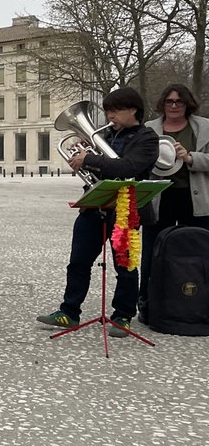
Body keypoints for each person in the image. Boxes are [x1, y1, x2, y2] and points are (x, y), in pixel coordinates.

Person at [37, 87, 158, 338]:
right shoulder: (104, 135)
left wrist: (89, 159)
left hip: (125, 209)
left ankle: (123, 315)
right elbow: (99, 169)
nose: (110, 116)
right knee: (78, 261)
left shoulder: (147, 138)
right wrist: (81, 159)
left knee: (125, 264)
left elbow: (128, 167)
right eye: (108, 111)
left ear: (133, 109)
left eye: (116, 110)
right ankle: (69, 311)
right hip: (94, 206)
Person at [139, 84, 209, 311]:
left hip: (195, 198)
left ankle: (198, 303)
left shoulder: (205, 127)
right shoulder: (149, 128)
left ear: (188, 104)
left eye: (179, 101)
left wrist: (190, 158)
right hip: (159, 197)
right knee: (153, 250)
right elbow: (138, 161)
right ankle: (147, 302)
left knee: (198, 249)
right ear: (163, 103)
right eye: (169, 101)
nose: (174, 105)